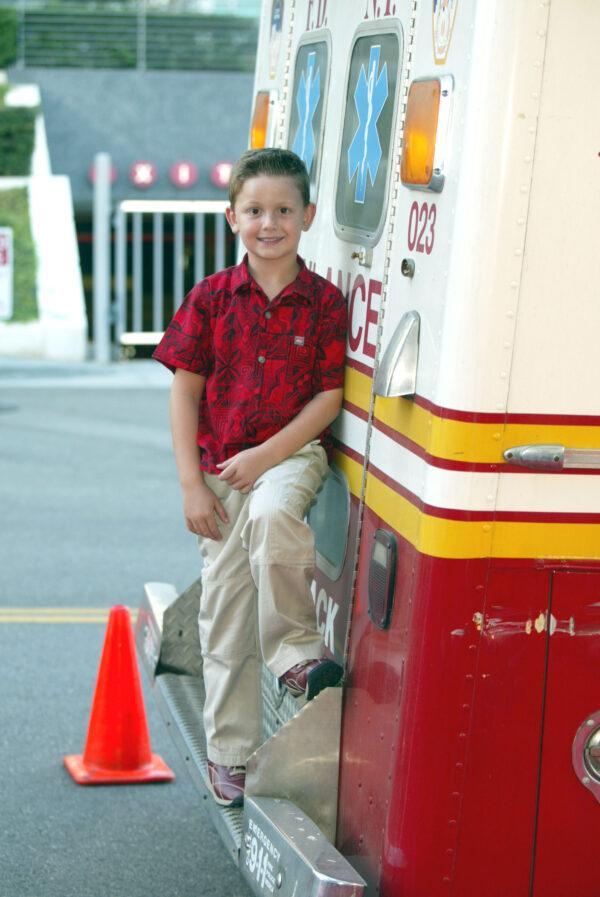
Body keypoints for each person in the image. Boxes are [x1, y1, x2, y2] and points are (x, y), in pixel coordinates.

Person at [153, 148, 347, 808]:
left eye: (284, 210)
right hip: (221, 472)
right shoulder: (209, 299)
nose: (270, 222)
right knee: (225, 617)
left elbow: (327, 399)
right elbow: (184, 394)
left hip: (290, 457)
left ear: (308, 216)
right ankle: (230, 754)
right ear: (231, 215)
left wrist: (268, 455)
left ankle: (294, 651)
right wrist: (191, 485)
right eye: (256, 210)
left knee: (271, 515)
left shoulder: (325, 302)